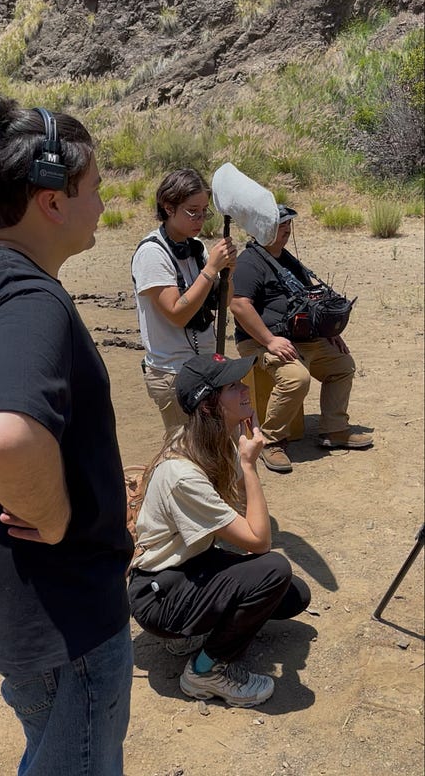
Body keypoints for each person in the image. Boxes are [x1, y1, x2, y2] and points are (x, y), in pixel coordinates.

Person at [0, 93, 133, 776]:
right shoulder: (31, 301)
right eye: (96, 189)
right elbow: (1, 435)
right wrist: (54, 514)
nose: (103, 206)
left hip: (8, 602)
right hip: (65, 618)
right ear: (52, 201)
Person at [128, 352, 311, 708]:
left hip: (191, 564)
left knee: (293, 595)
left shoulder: (215, 440)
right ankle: (204, 670)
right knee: (274, 569)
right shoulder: (183, 473)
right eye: (232, 386)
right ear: (208, 404)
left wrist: (242, 458)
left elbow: (242, 512)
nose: (245, 389)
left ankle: (195, 630)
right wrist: (250, 466)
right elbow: (259, 541)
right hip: (158, 592)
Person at [230, 204, 373, 474]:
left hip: (300, 337)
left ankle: (334, 429)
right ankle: (270, 441)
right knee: (296, 378)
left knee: (342, 365)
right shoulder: (249, 263)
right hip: (259, 340)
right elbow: (238, 305)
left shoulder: (286, 259)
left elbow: (308, 301)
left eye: (288, 224)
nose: (287, 229)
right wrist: (270, 340)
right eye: (280, 225)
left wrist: (329, 332)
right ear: (262, 228)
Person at [131, 168, 237, 433]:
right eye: (192, 211)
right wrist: (211, 269)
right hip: (173, 373)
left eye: (204, 211)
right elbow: (177, 314)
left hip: (205, 366)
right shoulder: (152, 253)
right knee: (185, 449)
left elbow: (223, 303)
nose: (200, 219)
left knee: (214, 443)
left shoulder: (196, 248)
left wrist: (229, 273)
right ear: (169, 208)